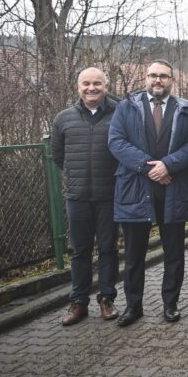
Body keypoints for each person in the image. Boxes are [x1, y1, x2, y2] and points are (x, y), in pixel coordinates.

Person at [108, 60, 188, 327]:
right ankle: (133, 307)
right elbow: (116, 141)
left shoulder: (187, 110)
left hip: (174, 189)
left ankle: (171, 304)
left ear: (172, 80)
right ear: (146, 78)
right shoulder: (126, 107)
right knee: (134, 255)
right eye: (153, 76)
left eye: (163, 76)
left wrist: (168, 165)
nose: (158, 80)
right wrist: (149, 168)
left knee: (174, 253)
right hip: (136, 189)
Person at [51, 67, 120, 325]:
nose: (92, 88)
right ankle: (79, 303)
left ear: (105, 86)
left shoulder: (119, 115)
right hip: (77, 197)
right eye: (86, 83)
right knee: (79, 251)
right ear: (77, 86)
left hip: (109, 196)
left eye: (97, 83)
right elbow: (59, 156)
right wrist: (75, 179)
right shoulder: (63, 119)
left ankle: (106, 299)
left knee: (108, 249)